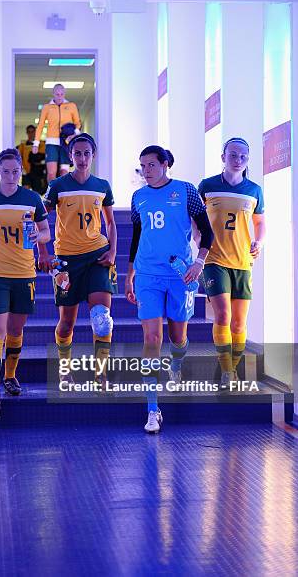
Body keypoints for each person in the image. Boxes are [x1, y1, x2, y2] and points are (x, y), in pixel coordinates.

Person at [125, 145, 214, 433]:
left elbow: (207, 231)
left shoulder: (186, 191)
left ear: (164, 164)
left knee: (178, 337)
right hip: (148, 275)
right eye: (142, 167)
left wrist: (199, 262)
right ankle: (152, 409)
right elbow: (137, 238)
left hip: (180, 274)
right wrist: (130, 275)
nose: (146, 172)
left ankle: (177, 363)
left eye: (151, 165)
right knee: (152, 338)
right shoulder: (138, 197)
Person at [0, 148, 50, 417]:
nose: (11, 176)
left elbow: (47, 232)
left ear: (21, 171)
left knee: (15, 330)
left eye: (15, 171)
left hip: (24, 273)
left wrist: (37, 237)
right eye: (6, 171)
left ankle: (10, 376)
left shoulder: (32, 199)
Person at [37, 133, 117, 387]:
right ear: (70, 156)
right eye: (77, 153)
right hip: (67, 261)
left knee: (102, 320)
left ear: (93, 155)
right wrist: (44, 252)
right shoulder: (59, 185)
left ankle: (101, 373)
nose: (82, 158)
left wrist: (113, 252)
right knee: (66, 324)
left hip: (97, 256)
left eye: (87, 153)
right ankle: (64, 368)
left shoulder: (102, 185)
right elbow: (40, 217)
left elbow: (111, 223)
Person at [198, 137, 265, 388]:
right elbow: (194, 216)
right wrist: (199, 239)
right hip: (214, 260)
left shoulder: (254, 190)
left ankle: (231, 367)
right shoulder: (207, 185)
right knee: (223, 315)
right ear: (223, 156)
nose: (238, 160)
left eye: (243, 157)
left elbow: (260, 223)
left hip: (243, 262)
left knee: (239, 322)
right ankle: (227, 372)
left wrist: (258, 242)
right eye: (233, 155)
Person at [32, 83, 81, 183]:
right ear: (53, 94)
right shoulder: (47, 107)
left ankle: (63, 196)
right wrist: (36, 144)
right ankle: (51, 196)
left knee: (64, 172)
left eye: (61, 94)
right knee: (51, 173)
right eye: (57, 94)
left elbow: (78, 123)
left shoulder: (71, 106)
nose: (59, 97)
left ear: (64, 94)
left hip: (66, 142)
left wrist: (74, 135)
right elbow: (40, 125)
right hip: (51, 142)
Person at [17, 125, 47, 194]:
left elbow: (45, 157)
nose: (31, 134)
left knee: (38, 193)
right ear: (27, 133)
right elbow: (18, 157)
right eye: (29, 132)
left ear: (35, 132)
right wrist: (21, 168)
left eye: (32, 132)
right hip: (26, 172)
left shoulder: (42, 144)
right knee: (25, 192)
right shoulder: (22, 145)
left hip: (38, 172)